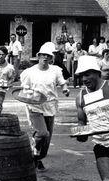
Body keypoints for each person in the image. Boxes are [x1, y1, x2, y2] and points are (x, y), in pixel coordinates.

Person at [20, 42, 69, 172]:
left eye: (48, 55)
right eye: (43, 55)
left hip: (50, 106)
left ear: (51, 58)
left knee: (46, 139)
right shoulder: (29, 72)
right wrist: (29, 93)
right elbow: (24, 88)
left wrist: (65, 90)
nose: (45, 58)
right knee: (42, 132)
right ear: (39, 56)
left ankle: (37, 158)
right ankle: (33, 155)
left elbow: (62, 83)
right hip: (35, 106)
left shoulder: (55, 70)